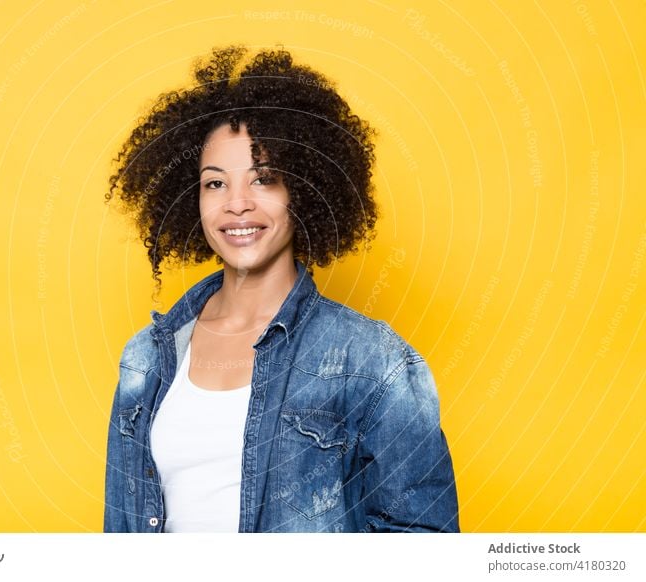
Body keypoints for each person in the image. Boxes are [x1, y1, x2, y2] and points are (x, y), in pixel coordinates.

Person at [103, 45, 459, 533]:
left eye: (263, 179)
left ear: (305, 190)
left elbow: (425, 542)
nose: (237, 204)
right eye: (215, 184)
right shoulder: (146, 359)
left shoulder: (373, 362)